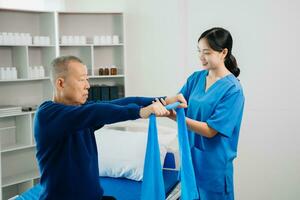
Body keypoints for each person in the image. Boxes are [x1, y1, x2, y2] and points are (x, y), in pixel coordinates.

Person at [33, 55, 187, 200]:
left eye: (87, 79)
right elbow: (97, 111)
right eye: (81, 80)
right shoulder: (48, 114)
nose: (87, 85)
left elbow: (119, 103)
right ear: (60, 83)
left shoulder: (80, 110)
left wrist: (165, 100)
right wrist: (140, 112)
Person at [164, 27, 245, 200]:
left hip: (214, 168)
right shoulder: (196, 78)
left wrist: (177, 117)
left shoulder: (233, 90)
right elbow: (177, 102)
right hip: (190, 162)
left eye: (206, 52)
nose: (201, 57)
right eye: (199, 51)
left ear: (223, 52)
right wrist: (164, 103)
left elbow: (210, 130)